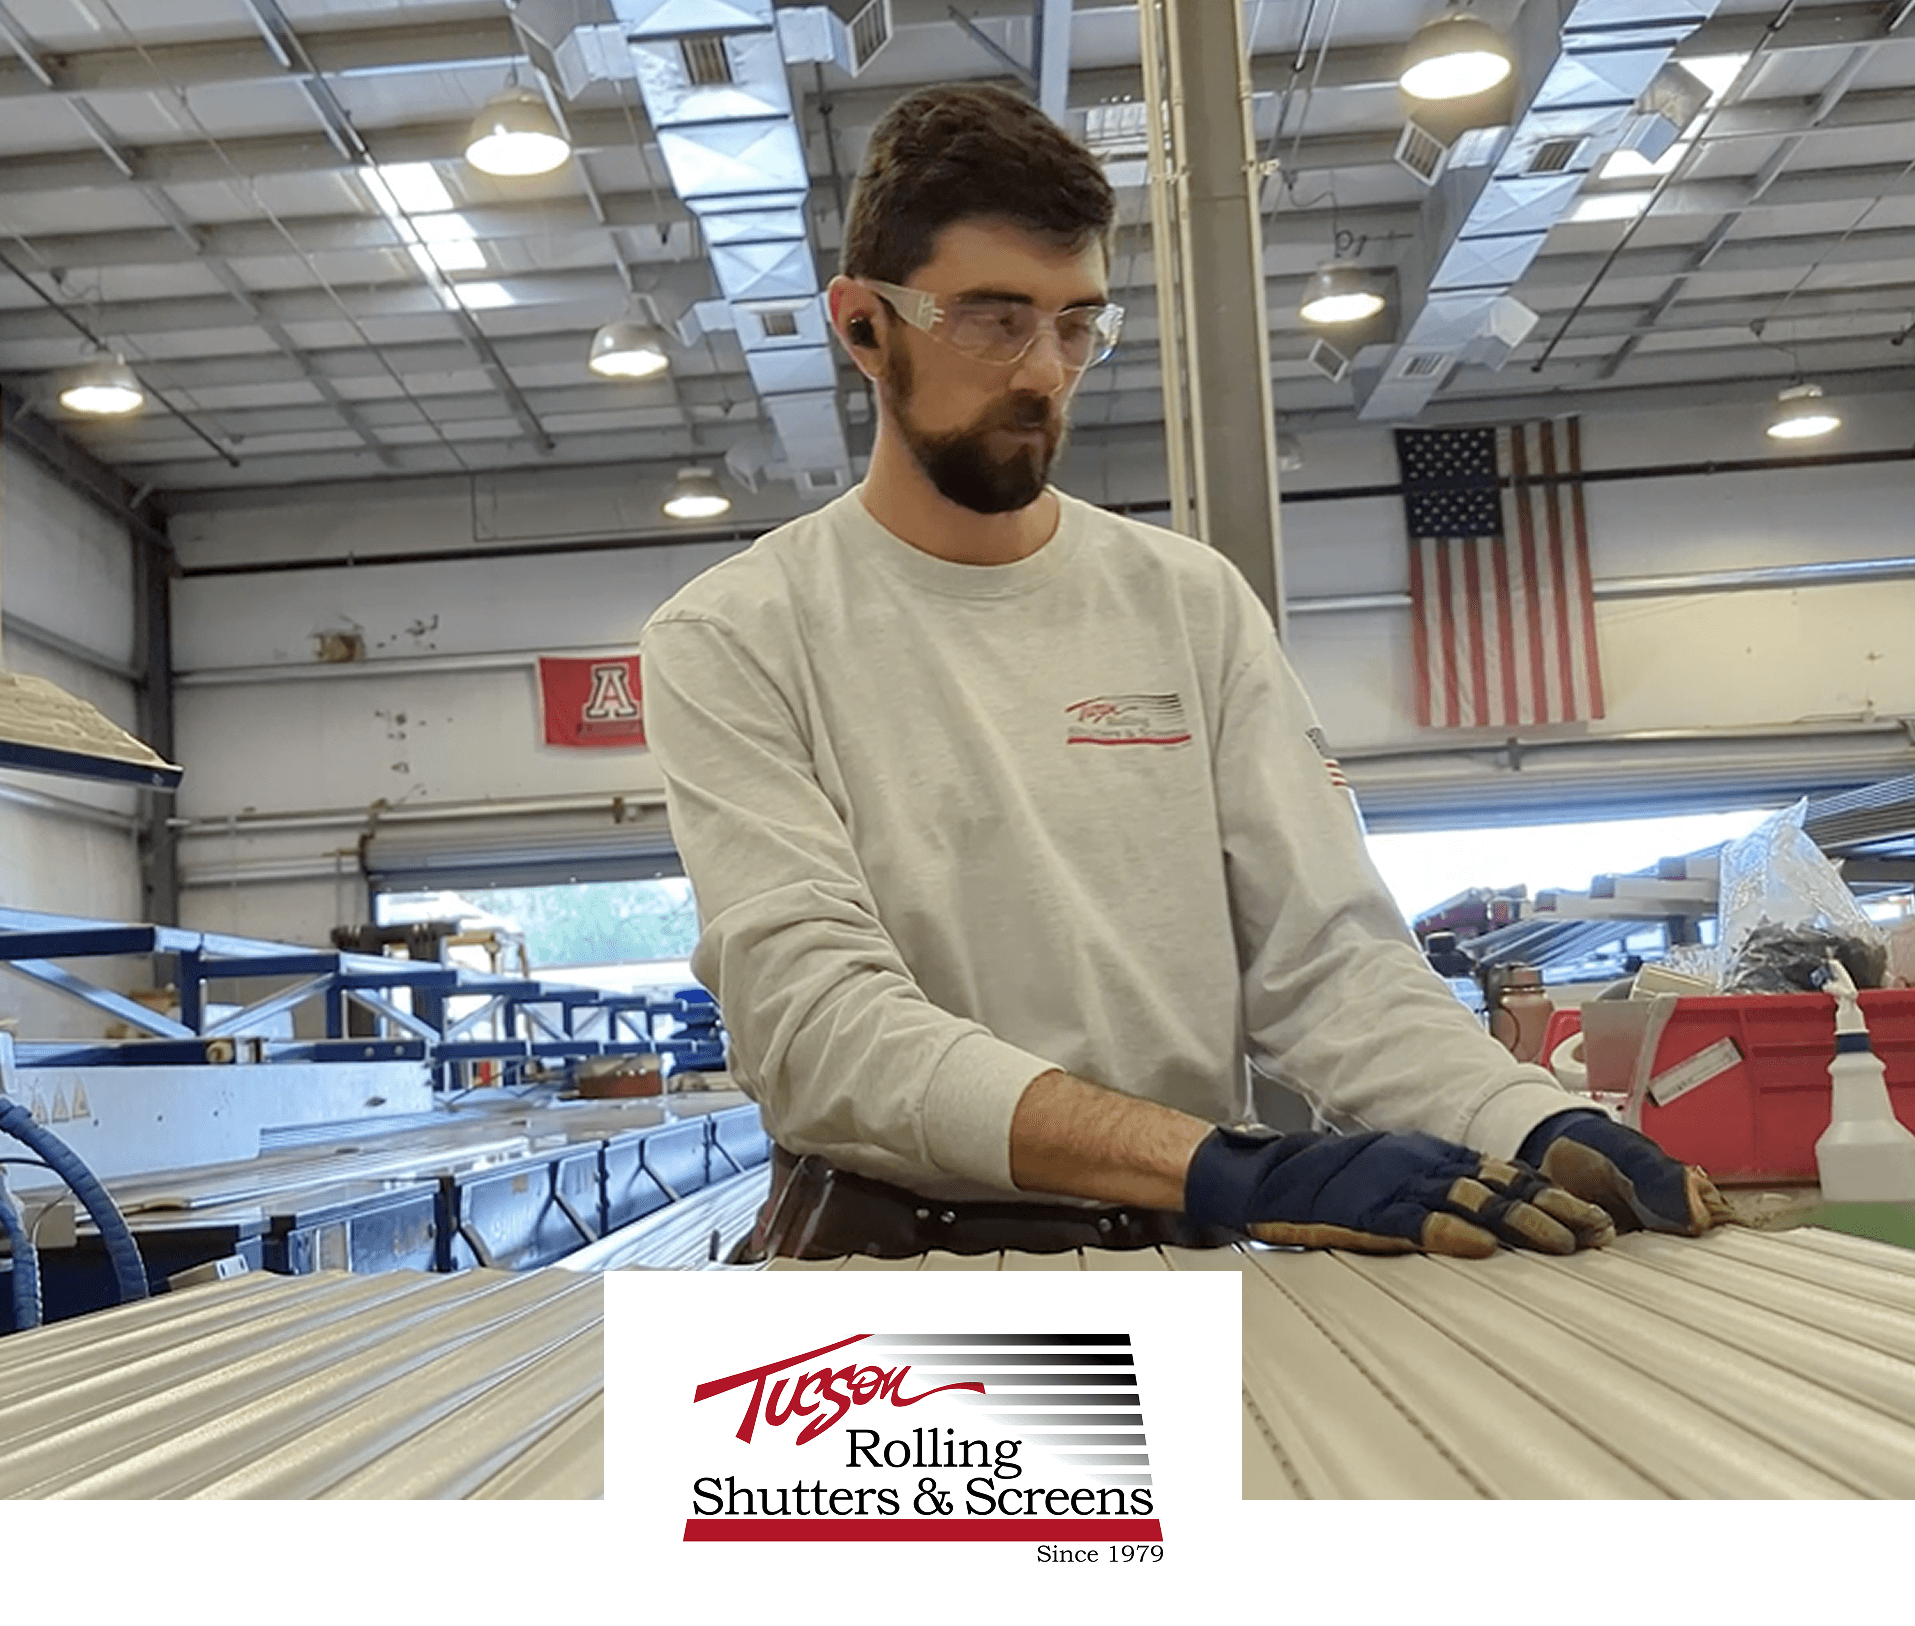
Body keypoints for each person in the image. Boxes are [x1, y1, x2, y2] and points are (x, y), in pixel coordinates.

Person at [640, 83, 1730, 1261]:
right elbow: (821, 1033)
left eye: (1075, 324)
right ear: (862, 325)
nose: (1043, 373)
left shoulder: (1185, 601)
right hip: (886, 1266)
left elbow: (1329, 967)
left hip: (1179, 1236)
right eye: (992, 319)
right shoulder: (736, 633)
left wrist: (1528, 1118)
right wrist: (1231, 1166)